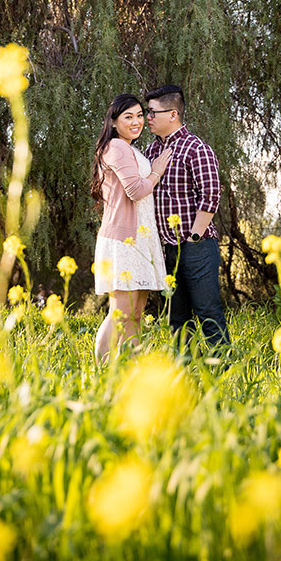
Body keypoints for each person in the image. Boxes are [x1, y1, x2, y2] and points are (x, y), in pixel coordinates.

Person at [144, 84, 230, 351]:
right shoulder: (150, 152)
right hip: (164, 249)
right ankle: (186, 373)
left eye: (152, 113)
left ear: (173, 114)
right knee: (176, 318)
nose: (147, 118)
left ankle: (224, 370)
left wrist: (193, 237)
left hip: (196, 247)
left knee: (207, 312)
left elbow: (211, 195)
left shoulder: (196, 148)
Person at [91, 93, 172, 363]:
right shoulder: (116, 147)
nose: (137, 121)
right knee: (120, 312)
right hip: (123, 240)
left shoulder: (131, 148)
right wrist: (157, 171)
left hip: (140, 239)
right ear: (114, 122)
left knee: (136, 314)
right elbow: (136, 190)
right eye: (129, 117)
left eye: (140, 115)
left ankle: (131, 369)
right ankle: (101, 370)